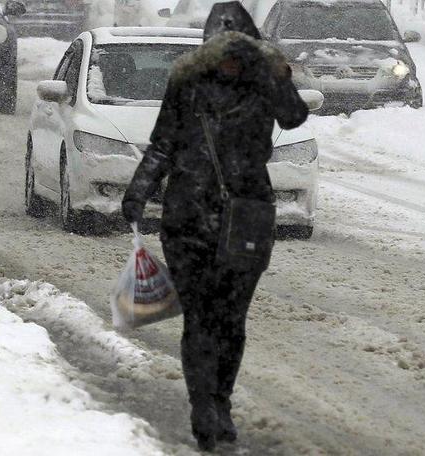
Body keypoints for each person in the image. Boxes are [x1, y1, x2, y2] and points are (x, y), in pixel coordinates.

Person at [121, 2, 309, 451]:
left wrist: (281, 76)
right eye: (221, 50)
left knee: (231, 320)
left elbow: (295, 117)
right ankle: (205, 409)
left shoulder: (265, 83)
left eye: (238, 50)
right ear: (208, 48)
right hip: (188, 219)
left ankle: (218, 400)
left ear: (251, 49)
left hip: (245, 218)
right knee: (202, 319)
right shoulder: (186, 83)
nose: (228, 58)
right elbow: (163, 142)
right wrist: (138, 190)